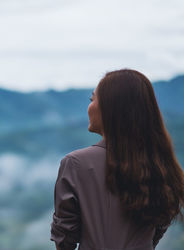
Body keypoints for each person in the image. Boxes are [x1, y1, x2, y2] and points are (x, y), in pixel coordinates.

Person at [50, 69, 184, 250]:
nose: (89, 106)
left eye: (92, 99)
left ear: (110, 108)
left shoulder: (75, 164)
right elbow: (159, 226)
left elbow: (65, 238)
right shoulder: (159, 164)